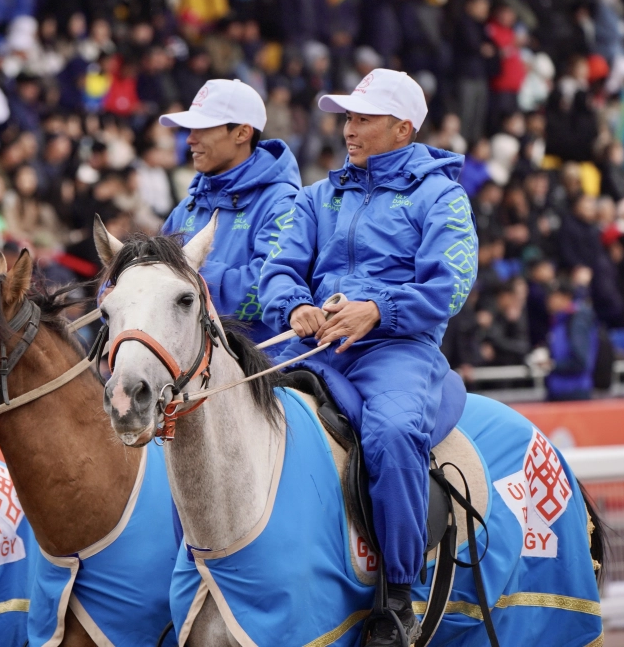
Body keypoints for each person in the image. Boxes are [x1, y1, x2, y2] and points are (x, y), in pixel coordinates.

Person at [259, 68, 477, 646]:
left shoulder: (442, 197)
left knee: (393, 431)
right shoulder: (317, 196)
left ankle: (399, 598)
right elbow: (278, 267)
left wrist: (376, 311)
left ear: (403, 127)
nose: (349, 129)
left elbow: (450, 286)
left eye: (362, 118)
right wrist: (294, 307)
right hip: (318, 347)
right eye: (347, 118)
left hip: (399, 351)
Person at [159, 79, 300, 351]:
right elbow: (147, 267)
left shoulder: (284, 202)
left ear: (242, 133)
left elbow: (266, 289)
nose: (190, 139)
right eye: (190, 128)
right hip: (186, 366)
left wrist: (179, 279)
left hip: (259, 371)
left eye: (202, 128)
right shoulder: (189, 204)